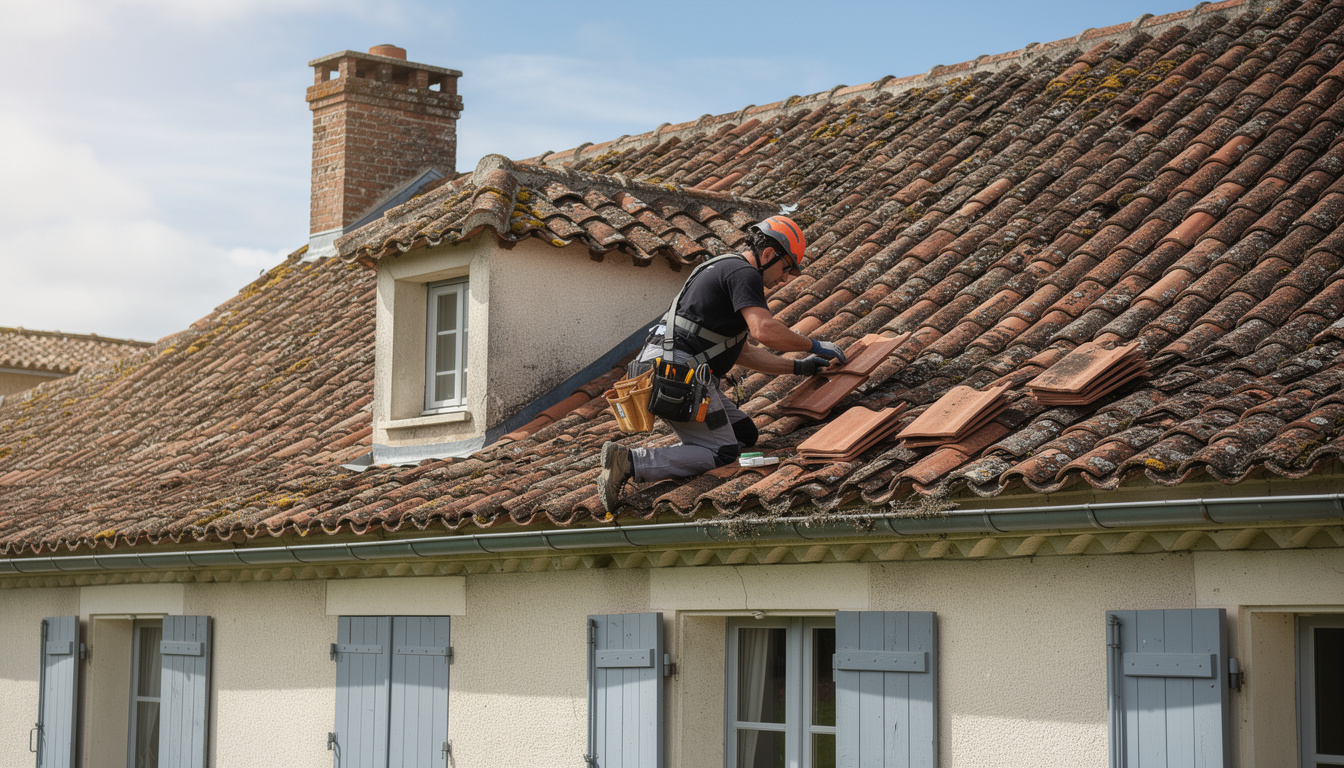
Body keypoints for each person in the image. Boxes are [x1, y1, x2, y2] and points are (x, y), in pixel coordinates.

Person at [598, 215, 847, 513]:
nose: (785, 277)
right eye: (786, 267)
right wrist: (815, 344)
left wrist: (800, 367)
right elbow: (763, 330)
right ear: (768, 254)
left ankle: (682, 455)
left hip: (667, 367)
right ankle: (631, 462)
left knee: (744, 436)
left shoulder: (723, 267)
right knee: (724, 452)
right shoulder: (744, 273)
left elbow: (743, 352)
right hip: (679, 373)